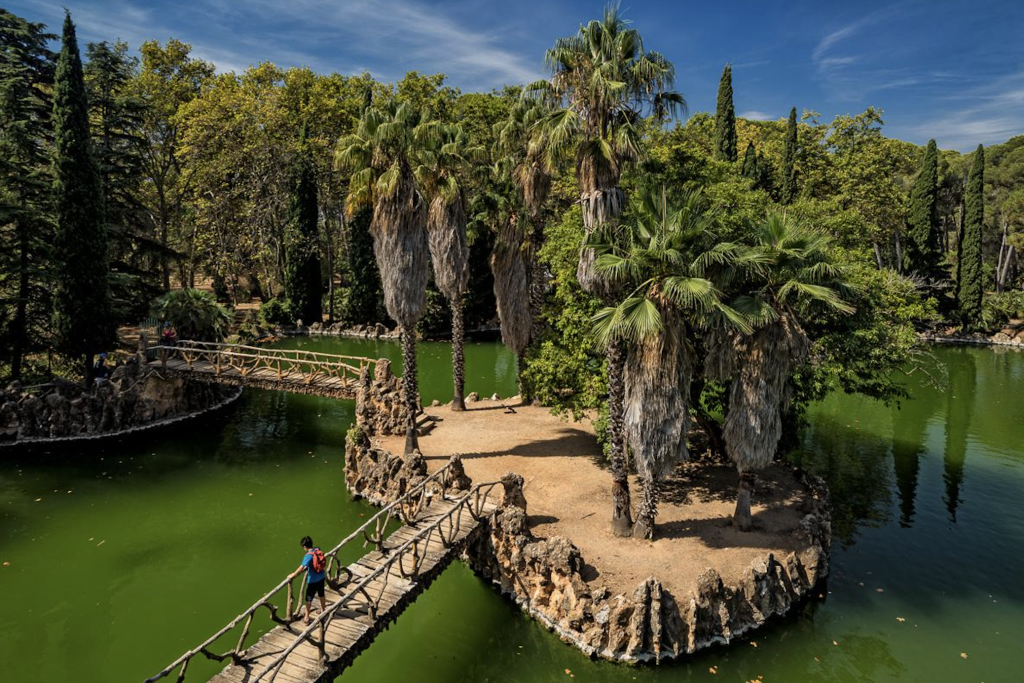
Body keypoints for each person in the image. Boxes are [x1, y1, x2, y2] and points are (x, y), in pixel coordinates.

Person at [290, 536, 326, 625]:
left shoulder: (308, 556)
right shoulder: (317, 550)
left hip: (313, 581)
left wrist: (293, 575)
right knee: (321, 594)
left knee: (308, 599)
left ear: (305, 547)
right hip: (321, 576)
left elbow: (301, 568)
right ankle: (323, 610)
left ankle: (306, 617)